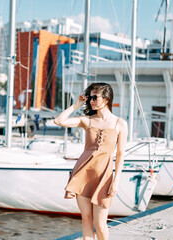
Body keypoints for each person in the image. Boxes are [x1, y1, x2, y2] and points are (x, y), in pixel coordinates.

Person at [54, 83, 128, 240]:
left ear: (106, 99)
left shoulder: (119, 123)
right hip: (83, 173)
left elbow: (121, 154)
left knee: (100, 224)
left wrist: (116, 181)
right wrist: (77, 104)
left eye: (95, 97)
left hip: (104, 176)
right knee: (86, 220)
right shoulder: (86, 120)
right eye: (90, 98)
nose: (91, 101)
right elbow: (59, 121)